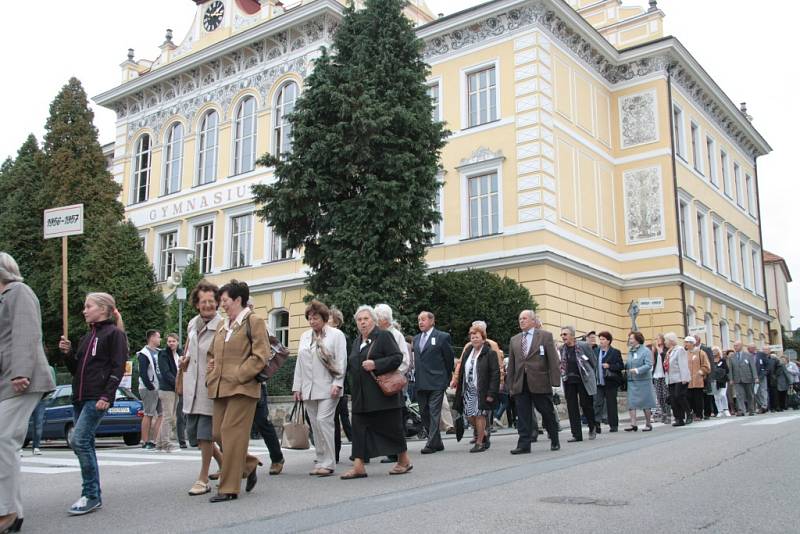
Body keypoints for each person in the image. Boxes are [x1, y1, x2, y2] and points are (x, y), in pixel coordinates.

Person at [0, 252, 56, 532]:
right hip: (10, 380)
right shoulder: (5, 297)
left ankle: (6, 511)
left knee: (2, 440)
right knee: (5, 441)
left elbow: (27, 332)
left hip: (21, 379)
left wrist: (20, 371)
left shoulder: (17, 291)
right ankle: (13, 512)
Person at [58, 292, 128, 515]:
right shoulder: (87, 337)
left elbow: (118, 367)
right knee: (83, 443)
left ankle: (91, 494)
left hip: (96, 397)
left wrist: (107, 395)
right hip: (80, 397)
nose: (84, 310)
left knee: (79, 441)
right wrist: (68, 354)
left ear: (103, 310)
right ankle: (91, 493)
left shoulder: (114, 334)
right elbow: (77, 370)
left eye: (89, 306)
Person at [206, 280, 266, 502]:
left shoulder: (254, 321)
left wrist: (240, 374)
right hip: (220, 388)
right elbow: (211, 354)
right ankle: (248, 464)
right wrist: (210, 374)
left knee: (231, 435)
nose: (222, 305)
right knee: (217, 434)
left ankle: (229, 488)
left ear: (238, 300)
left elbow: (261, 355)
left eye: (225, 301)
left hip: (243, 388)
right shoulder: (224, 325)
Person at [341, 306, 411, 479]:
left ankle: (403, 460)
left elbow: (397, 358)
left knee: (391, 428)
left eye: (366, 319)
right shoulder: (357, 341)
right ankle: (359, 466)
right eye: (359, 319)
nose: (362, 322)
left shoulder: (384, 336)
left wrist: (376, 364)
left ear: (373, 320)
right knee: (358, 430)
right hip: (361, 397)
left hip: (382, 396)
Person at [293, 300, 347, 477]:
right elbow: (299, 363)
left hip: (328, 387)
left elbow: (341, 361)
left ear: (324, 318)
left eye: (315, 318)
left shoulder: (336, 335)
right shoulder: (305, 336)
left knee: (324, 421)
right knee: (315, 425)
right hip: (308, 389)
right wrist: (297, 387)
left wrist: (338, 383)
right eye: (309, 318)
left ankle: (330, 462)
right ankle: (320, 459)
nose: (312, 321)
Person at [180, 281, 224, 496]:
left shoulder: (223, 326)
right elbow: (191, 352)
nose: (207, 305)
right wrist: (184, 360)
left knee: (206, 435)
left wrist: (217, 363)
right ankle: (232, 465)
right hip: (192, 386)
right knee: (196, 436)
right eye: (203, 301)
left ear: (217, 303)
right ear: (197, 304)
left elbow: (227, 355)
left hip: (211, 387)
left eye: (211, 301)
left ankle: (203, 478)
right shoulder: (192, 324)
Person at [506, 310, 561, 454]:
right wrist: (510, 384)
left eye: (524, 318)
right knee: (523, 415)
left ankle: (554, 438)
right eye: (520, 319)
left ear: (532, 320)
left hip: (540, 381)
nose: (521, 321)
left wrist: (555, 382)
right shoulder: (515, 340)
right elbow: (511, 364)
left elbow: (553, 360)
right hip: (521, 382)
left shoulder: (545, 336)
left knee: (546, 412)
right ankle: (524, 444)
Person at [412, 311, 454, 454]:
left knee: (434, 412)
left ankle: (430, 443)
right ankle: (438, 442)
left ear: (432, 321)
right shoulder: (416, 339)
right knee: (424, 413)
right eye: (418, 320)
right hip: (421, 382)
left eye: (423, 319)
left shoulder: (442, 337)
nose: (420, 322)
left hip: (437, 381)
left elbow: (448, 359)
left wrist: (446, 378)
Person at [453, 324, 499, 452]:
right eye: (472, 337)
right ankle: (483, 433)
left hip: (482, 390)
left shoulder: (490, 353)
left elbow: (495, 374)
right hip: (468, 389)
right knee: (468, 415)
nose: (474, 339)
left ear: (483, 338)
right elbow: (462, 369)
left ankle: (479, 442)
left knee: (480, 415)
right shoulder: (468, 352)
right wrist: (456, 381)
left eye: (477, 337)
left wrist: (491, 392)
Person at [558, 326, 597, 442]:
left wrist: (589, 374)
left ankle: (592, 426)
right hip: (569, 380)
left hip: (583, 380)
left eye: (565, 334)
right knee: (572, 407)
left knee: (586, 404)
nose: (563, 337)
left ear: (572, 336)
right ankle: (576, 434)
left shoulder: (583, 346)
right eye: (562, 335)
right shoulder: (562, 349)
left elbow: (593, 361)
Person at [328, 308, 353, 464]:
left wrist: (340, 382)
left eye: (329, 318)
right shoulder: (325, 336)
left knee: (338, 419)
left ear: (336, 321)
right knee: (340, 418)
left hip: (339, 383)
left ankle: (335, 453)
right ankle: (359, 448)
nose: (326, 320)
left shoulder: (342, 337)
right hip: (332, 384)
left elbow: (346, 362)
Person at [624, 332, 656, 431]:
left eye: (631, 338)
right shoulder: (631, 351)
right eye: (629, 338)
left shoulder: (646, 351)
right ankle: (633, 424)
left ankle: (648, 423)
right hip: (632, 380)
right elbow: (629, 363)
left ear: (637, 339)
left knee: (646, 403)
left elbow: (648, 365)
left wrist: (637, 370)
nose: (630, 340)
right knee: (631, 403)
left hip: (643, 381)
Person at [136, 330, 163, 450]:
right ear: (152, 338)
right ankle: (145, 440)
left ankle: (156, 440)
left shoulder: (158, 352)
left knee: (162, 414)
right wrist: (150, 386)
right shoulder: (144, 353)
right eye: (158, 337)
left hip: (159, 387)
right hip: (148, 388)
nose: (160, 339)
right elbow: (143, 372)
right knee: (148, 414)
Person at [593, 331, 623, 433]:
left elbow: (620, 366)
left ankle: (613, 425)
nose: (601, 341)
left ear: (608, 341)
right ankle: (596, 425)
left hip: (610, 382)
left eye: (603, 339)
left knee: (611, 404)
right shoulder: (596, 351)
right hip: (598, 382)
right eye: (600, 339)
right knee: (597, 403)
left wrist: (610, 366)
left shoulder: (615, 352)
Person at [156, 333, 180, 452]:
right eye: (169, 341)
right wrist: (177, 383)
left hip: (176, 389)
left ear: (178, 342)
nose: (171, 343)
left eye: (173, 341)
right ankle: (166, 444)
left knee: (170, 416)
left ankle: (159, 444)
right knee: (168, 417)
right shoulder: (163, 354)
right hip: (167, 389)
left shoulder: (180, 354)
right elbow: (165, 373)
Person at [29, 363, 57, 455]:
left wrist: (46, 396)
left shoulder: (49, 369)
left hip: (41, 399)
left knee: (38, 424)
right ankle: (19, 447)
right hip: (29, 398)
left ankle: (36, 447)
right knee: (22, 424)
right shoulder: (29, 367)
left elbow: (53, 386)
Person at [664, 332, 691, 426]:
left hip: (679, 378)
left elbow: (683, 364)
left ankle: (689, 413)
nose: (664, 342)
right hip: (671, 379)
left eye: (666, 340)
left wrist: (684, 378)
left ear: (671, 341)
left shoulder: (680, 350)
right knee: (673, 400)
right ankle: (679, 419)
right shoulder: (668, 351)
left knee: (679, 396)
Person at [728, 340, 758, 416]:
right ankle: (741, 410)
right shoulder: (732, 357)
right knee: (739, 395)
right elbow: (730, 369)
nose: (735, 347)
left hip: (748, 378)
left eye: (737, 345)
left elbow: (753, 367)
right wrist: (731, 379)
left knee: (750, 395)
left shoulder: (748, 355)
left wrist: (755, 377)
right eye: (734, 346)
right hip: (737, 379)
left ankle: (751, 409)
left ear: (741, 346)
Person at [686, 337, 710, 422]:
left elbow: (706, 365)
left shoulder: (701, 353)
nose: (686, 344)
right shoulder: (686, 354)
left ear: (692, 343)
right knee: (689, 398)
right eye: (685, 343)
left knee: (698, 398)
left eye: (688, 342)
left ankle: (699, 414)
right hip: (688, 381)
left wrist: (701, 372)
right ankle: (692, 413)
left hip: (698, 380)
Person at [694, 335, 716, 418]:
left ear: (699, 341)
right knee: (698, 395)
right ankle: (698, 413)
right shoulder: (691, 350)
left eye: (695, 340)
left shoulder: (706, 349)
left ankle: (707, 413)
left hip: (706, 374)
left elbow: (711, 362)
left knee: (707, 394)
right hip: (696, 375)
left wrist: (711, 376)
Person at [651, 334, 671, 424]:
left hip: (664, 375)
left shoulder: (666, 350)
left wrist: (661, 352)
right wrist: (653, 352)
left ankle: (668, 414)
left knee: (666, 395)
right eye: (656, 339)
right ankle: (663, 413)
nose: (657, 340)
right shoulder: (655, 350)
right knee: (659, 396)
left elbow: (666, 360)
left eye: (658, 339)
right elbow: (652, 362)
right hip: (656, 374)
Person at [710, 347, 730, 417]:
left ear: (718, 352)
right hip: (714, 380)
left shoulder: (722, 360)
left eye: (715, 351)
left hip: (722, 380)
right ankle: (720, 410)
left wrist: (721, 372)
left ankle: (726, 409)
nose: (714, 352)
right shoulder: (711, 361)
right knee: (716, 397)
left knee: (722, 395)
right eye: (713, 351)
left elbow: (727, 370)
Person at [751, 344, 770, 413]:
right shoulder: (748, 355)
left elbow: (767, 365)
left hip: (761, 376)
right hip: (752, 377)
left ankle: (764, 405)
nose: (749, 349)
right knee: (756, 392)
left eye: (750, 348)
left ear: (754, 348)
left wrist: (764, 373)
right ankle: (760, 405)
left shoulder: (761, 354)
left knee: (763, 391)